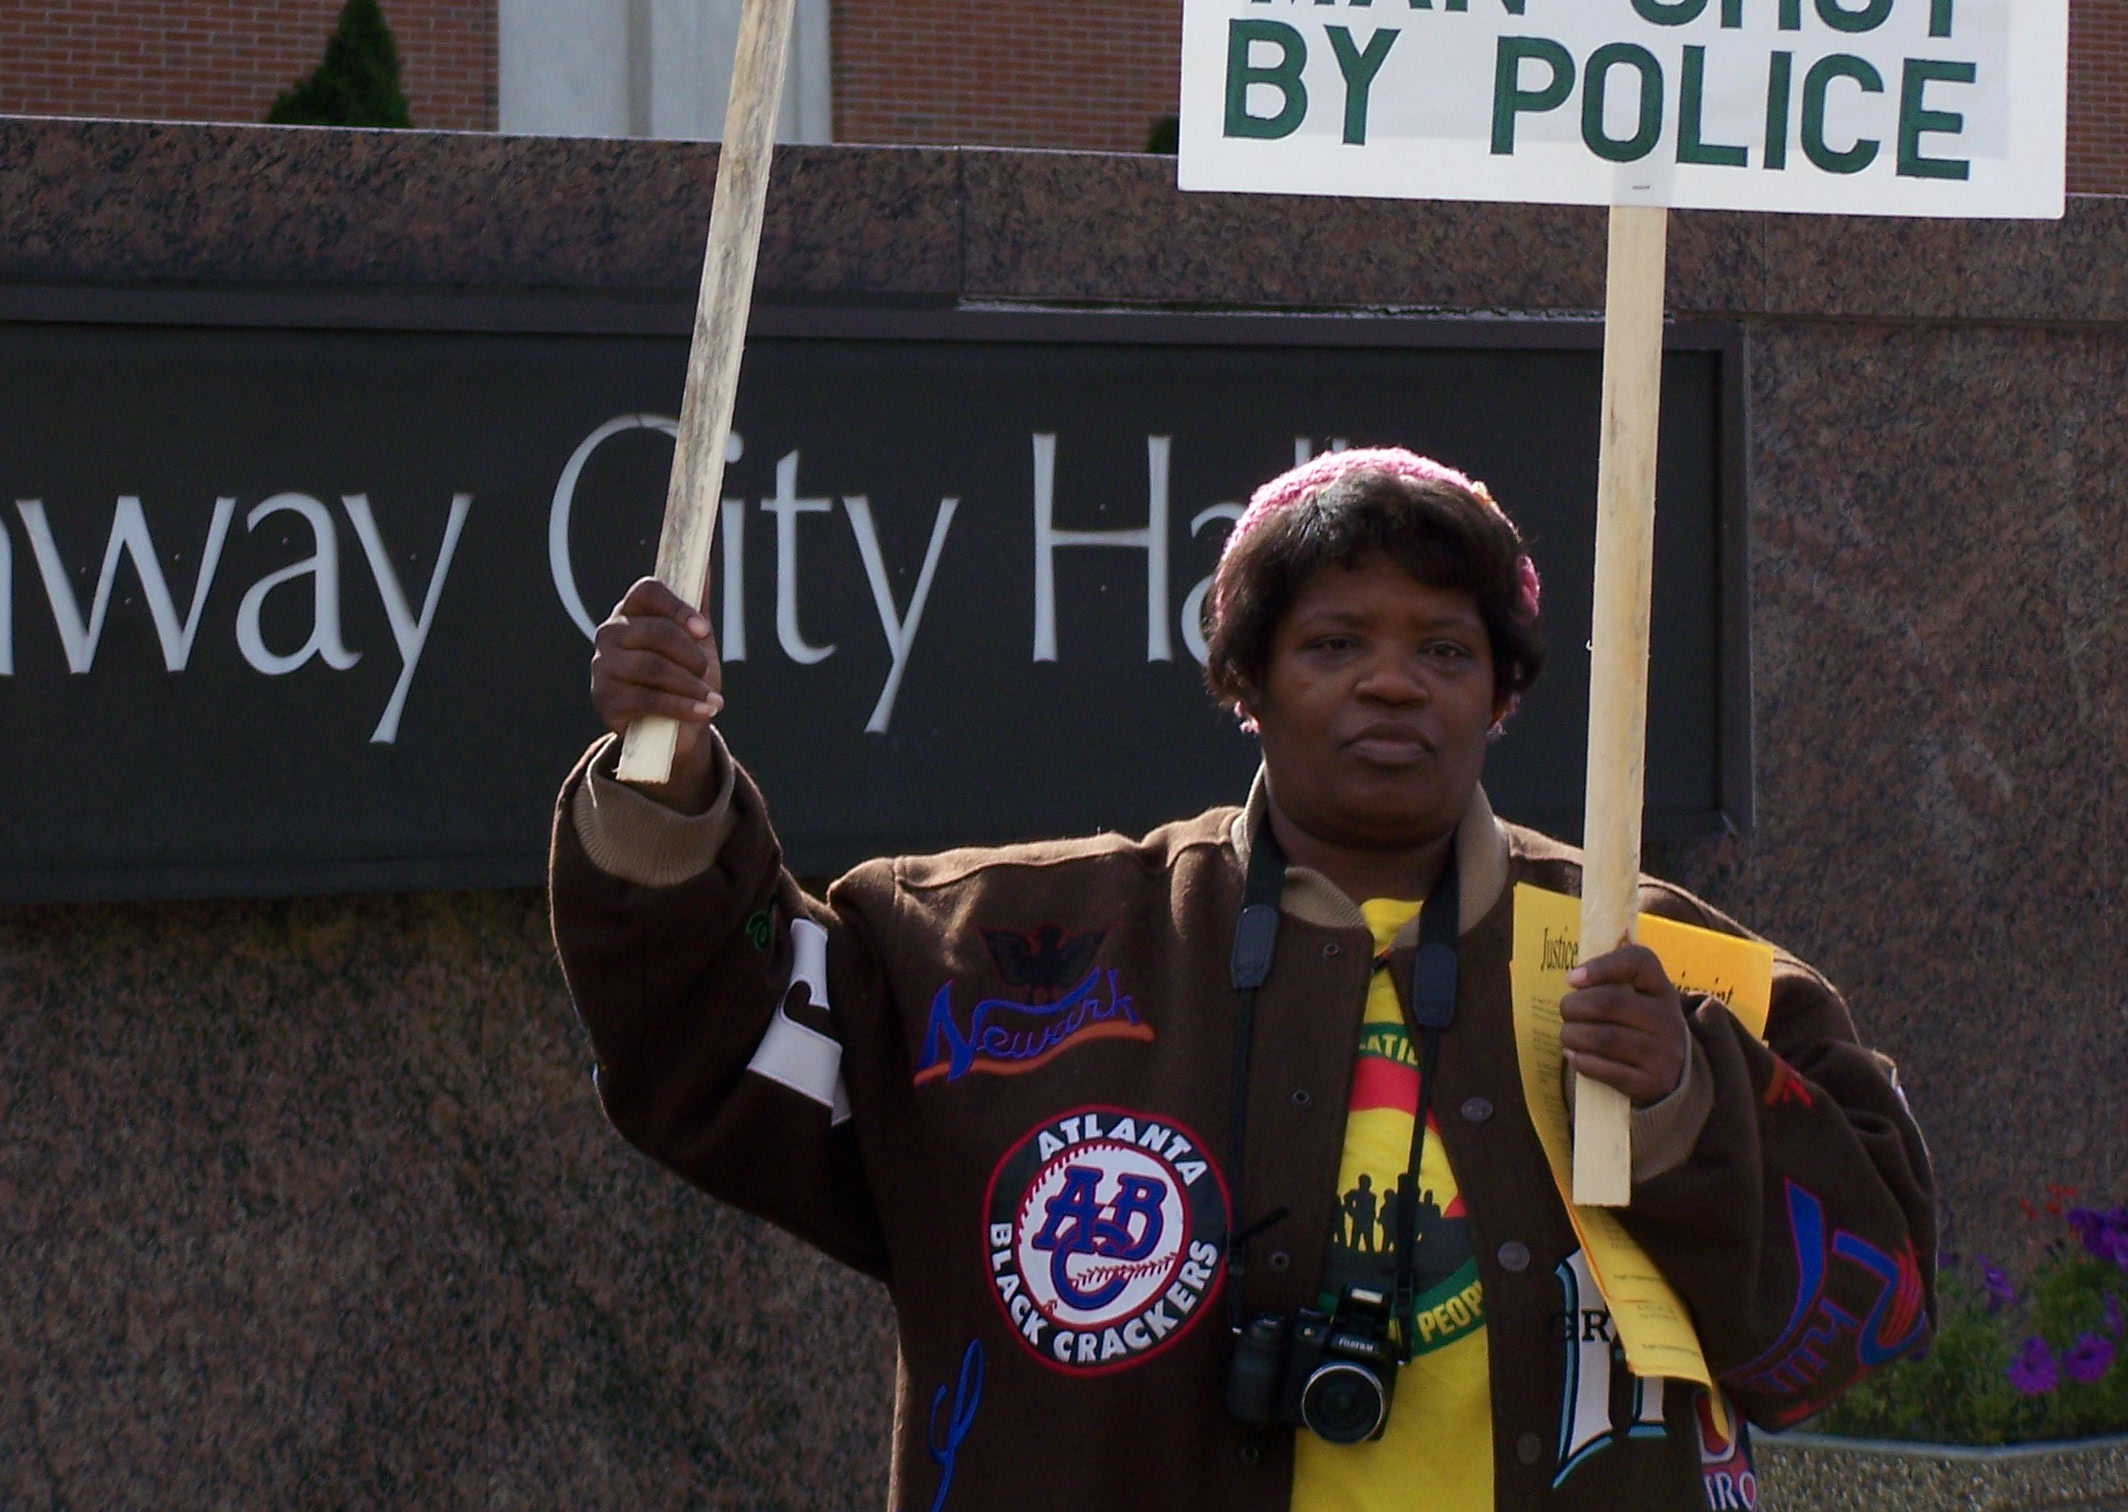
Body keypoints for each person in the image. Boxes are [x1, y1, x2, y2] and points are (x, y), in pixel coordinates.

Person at [551, 447, 1934, 1512]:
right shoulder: (988, 949)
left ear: (1504, 696)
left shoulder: (1678, 965)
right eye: (1336, 644)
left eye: (1444, 651)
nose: (1395, 684)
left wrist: (1695, 1106)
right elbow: (713, 1048)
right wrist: (661, 784)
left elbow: (1866, 1311)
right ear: (1245, 682)